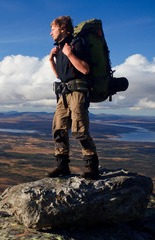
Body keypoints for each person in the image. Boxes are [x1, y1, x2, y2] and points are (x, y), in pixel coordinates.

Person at [47, 16, 99, 180]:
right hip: (64, 92)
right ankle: (62, 166)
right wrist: (51, 60)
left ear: (63, 28)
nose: (50, 33)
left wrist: (69, 54)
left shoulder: (76, 43)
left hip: (78, 92)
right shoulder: (61, 47)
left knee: (80, 130)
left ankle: (91, 167)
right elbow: (61, 76)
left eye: (53, 29)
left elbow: (84, 69)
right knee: (59, 129)